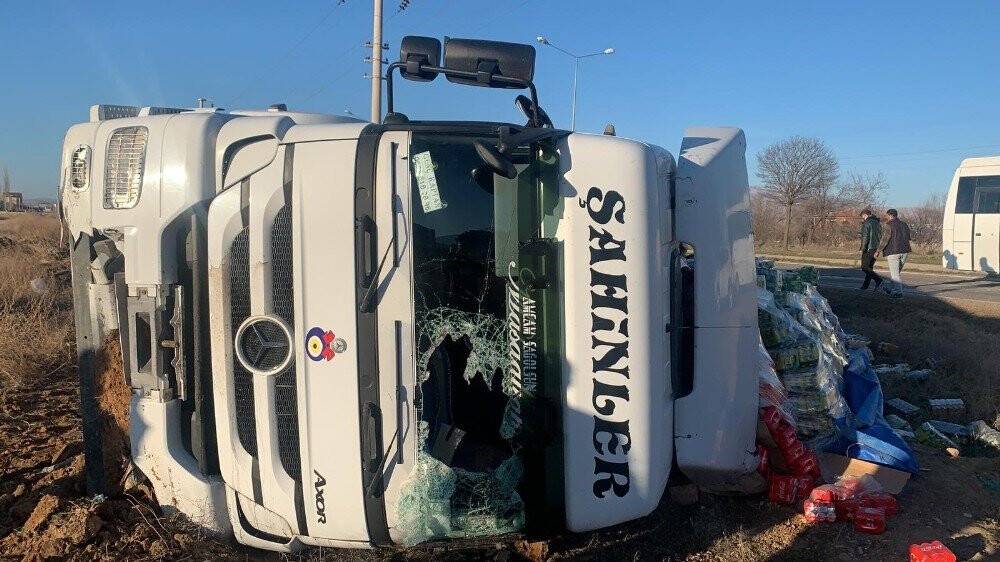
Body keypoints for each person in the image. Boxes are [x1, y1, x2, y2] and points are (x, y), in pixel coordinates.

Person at [876, 208, 912, 297]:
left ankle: (898, 293)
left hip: (893, 251)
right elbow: (908, 237)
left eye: (886, 215)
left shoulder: (888, 225)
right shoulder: (904, 224)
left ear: (890, 215)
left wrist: (878, 250)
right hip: (905, 251)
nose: (886, 217)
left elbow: (885, 239)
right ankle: (889, 288)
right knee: (896, 273)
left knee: (895, 274)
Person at [858, 208, 884, 290]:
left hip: (868, 248)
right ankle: (865, 286)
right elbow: (881, 236)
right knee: (869, 267)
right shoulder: (877, 223)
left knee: (864, 267)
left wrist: (863, 248)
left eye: (862, 217)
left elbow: (865, 237)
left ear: (865, 215)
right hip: (876, 248)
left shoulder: (867, 223)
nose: (863, 218)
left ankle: (878, 280)